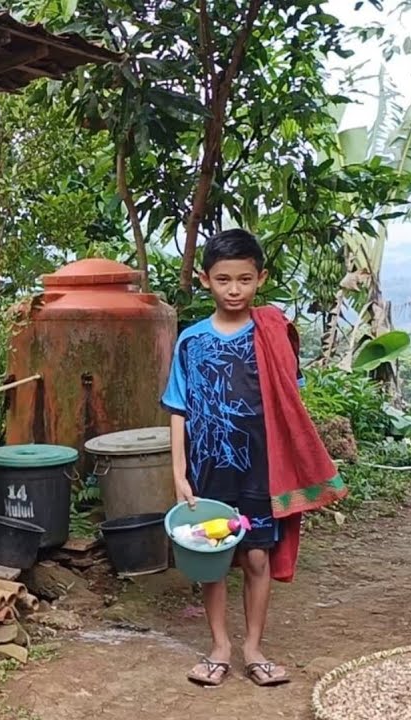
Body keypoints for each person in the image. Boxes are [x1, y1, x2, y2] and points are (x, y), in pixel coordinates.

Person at [162, 229, 344, 688]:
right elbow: (178, 410)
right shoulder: (190, 341)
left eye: (244, 279)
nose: (234, 290)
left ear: (260, 278)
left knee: (258, 556)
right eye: (223, 279)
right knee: (212, 559)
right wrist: (179, 473)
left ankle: (254, 649)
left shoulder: (272, 336)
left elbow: (289, 406)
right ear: (205, 279)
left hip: (262, 469)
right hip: (208, 469)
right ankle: (219, 647)